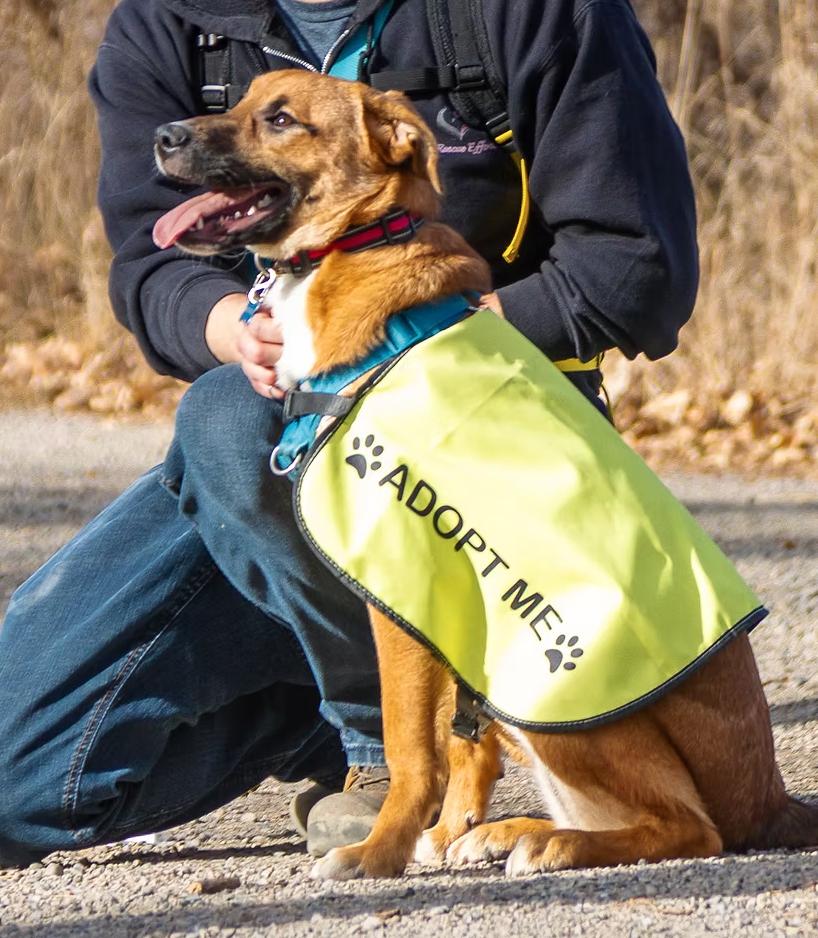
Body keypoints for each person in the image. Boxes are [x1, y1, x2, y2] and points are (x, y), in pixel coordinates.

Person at [0, 0, 698, 866]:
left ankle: (386, 746)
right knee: (11, 780)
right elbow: (149, 264)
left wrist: (434, 340)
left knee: (229, 420)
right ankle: (326, 710)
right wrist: (228, 326)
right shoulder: (169, 19)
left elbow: (637, 265)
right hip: (267, 469)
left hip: (490, 441)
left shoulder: (532, 11)